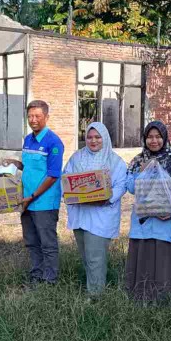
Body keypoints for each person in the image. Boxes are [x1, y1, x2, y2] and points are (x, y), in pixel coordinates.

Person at [62, 122, 127, 298]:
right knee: (86, 256)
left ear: (105, 138)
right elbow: (66, 179)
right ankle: (93, 288)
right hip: (81, 214)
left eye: (97, 137)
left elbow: (122, 184)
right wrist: (69, 193)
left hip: (101, 215)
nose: (93, 141)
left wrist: (108, 198)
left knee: (95, 258)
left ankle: (96, 297)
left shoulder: (114, 161)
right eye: (89, 137)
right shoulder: (77, 157)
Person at [124, 121, 171, 302]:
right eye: (149, 137)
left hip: (167, 221)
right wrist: (141, 173)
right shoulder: (138, 160)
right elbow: (130, 188)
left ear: (164, 138)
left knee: (164, 262)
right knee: (144, 258)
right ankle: (141, 300)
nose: (154, 141)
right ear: (144, 139)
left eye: (158, 136)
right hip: (143, 221)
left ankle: (167, 302)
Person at [9, 100, 65, 285]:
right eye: (30, 116)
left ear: (46, 117)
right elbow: (30, 167)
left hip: (44, 202)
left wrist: (32, 197)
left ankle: (50, 280)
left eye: (38, 116)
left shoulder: (54, 142)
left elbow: (52, 175)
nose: (33, 120)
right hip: (26, 201)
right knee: (31, 242)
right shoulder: (28, 139)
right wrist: (16, 164)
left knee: (47, 244)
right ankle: (36, 276)